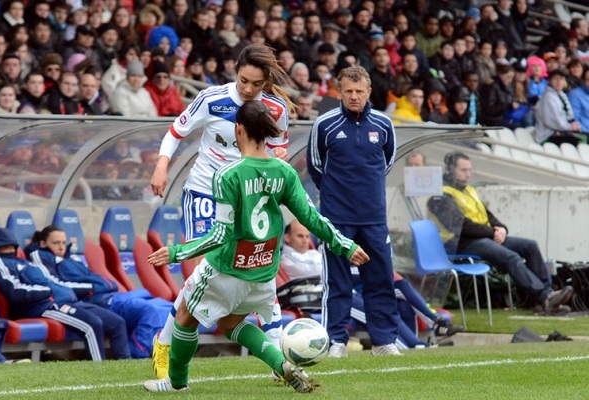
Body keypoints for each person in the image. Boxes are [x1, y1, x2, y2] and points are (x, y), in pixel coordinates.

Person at [143, 100, 369, 392]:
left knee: (186, 315)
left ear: (238, 129)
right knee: (229, 323)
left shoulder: (228, 174)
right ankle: (282, 364)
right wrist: (346, 246)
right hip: (264, 270)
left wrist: (176, 252)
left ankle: (176, 384)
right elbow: (311, 218)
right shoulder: (284, 171)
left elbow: (220, 235)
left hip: (228, 266)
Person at [149, 44, 292, 379]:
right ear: (235, 71)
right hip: (203, 191)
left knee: (254, 270)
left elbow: (278, 148)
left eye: (255, 84)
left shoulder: (275, 108)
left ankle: (274, 345)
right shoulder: (212, 98)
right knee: (203, 266)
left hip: (244, 197)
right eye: (243, 80)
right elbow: (176, 132)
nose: (247, 89)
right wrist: (161, 166)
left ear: (265, 82)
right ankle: (165, 344)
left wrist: (278, 160)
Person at [307, 66, 402, 357]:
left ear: (369, 92)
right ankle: (335, 341)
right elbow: (315, 167)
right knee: (338, 281)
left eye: (359, 91)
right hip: (336, 220)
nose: (354, 97)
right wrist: (338, 196)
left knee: (381, 278)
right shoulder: (324, 125)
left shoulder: (384, 125)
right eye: (348, 91)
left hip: (374, 218)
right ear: (339, 92)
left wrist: (365, 193)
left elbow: (386, 162)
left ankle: (384, 341)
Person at [427, 151, 574, 315]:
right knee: (510, 257)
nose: (468, 174)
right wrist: (492, 232)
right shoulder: (440, 195)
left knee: (529, 246)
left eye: (469, 170)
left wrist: (501, 229)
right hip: (459, 244)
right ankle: (545, 297)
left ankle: (546, 297)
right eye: (463, 170)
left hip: (482, 239)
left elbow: (488, 215)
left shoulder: (469, 191)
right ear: (450, 170)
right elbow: (461, 226)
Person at [281, 220, 462, 350]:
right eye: (299, 236)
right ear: (287, 238)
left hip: (341, 287)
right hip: (322, 296)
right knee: (379, 307)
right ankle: (416, 345)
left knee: (396, 293)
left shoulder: (314, 255)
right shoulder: (288, 259)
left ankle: (426, 335)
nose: (305, 240)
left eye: (307, 236)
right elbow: (326, 272)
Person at [26, 225, 172, 358]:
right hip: (94, 299)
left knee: (166, 307)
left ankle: (163, 352)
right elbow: (56, 283)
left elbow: (95, 279)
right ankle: (139, 354)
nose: (61, 247)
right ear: (43, 243)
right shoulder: (42, 257)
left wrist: (102, 285)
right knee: (149, 309)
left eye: (63, 243)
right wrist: (93, 288)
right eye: (56, 243)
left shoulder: (71, 259)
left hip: (110, 295)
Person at [0, 227, 131, 361]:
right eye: (5, 247)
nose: (10, 250)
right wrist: (48, 292)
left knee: (116, 322)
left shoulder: (23, 262)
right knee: (92, 325)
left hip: (63, 301)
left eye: (12, 247)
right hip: (42, 307)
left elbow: (49, 281)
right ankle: (100, 369)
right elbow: (15, 291)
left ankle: (126, 363)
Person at [534, 70, 583, 145]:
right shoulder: (548, 96)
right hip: (548, 136)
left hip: (561, 133)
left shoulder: (562, 95)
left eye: (561, 79)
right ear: (549, 81)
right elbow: (555, 122)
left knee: (583, 140)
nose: (558, 82)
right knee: (576, 143)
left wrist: (574, 125)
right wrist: (570, 127)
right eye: (555, 79)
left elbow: (570, 117)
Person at [567, 67, 589, 134]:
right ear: (583, 81)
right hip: (585, 134)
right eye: (588, 80)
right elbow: (574, 120)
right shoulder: (575, 94)